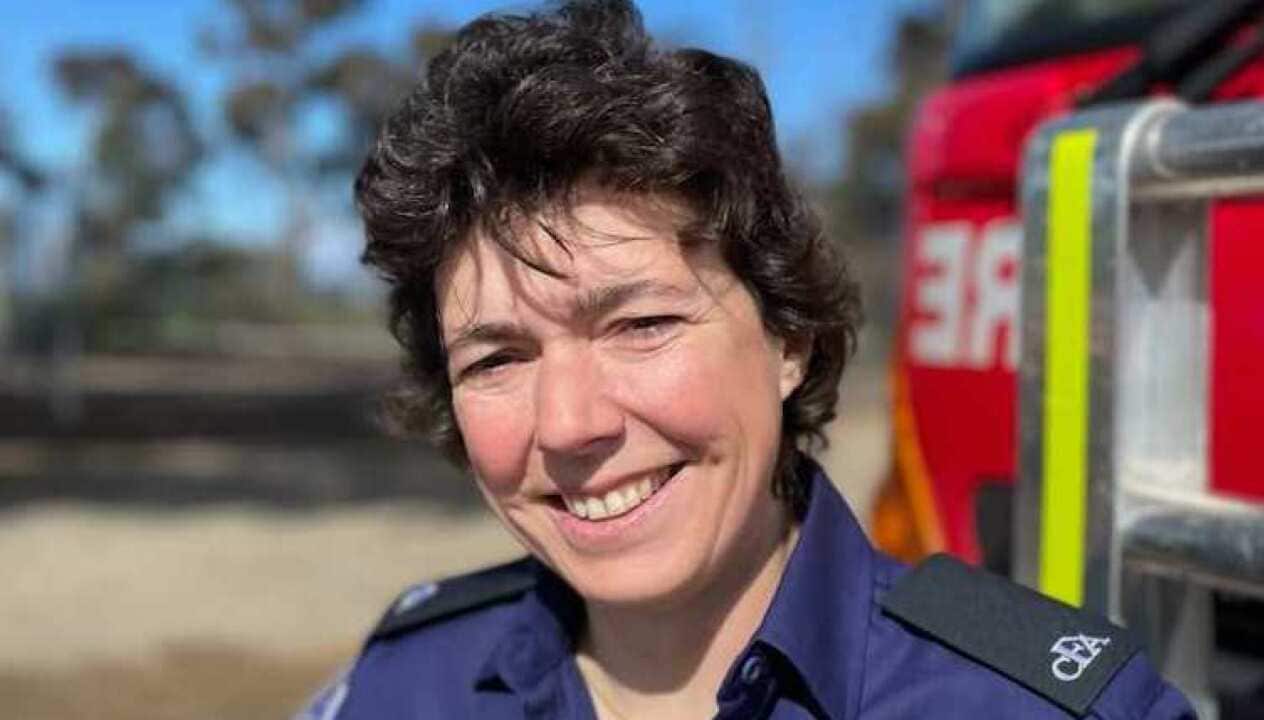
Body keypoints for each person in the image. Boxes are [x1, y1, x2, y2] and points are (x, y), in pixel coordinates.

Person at [298, 1, 1196, 717]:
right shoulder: (405, 682)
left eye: (641, 324)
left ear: (788, 340)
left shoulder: (1028, 704)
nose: (571, 424)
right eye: (497, 360)